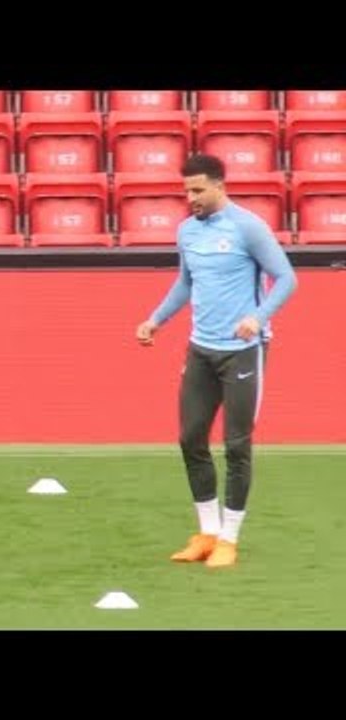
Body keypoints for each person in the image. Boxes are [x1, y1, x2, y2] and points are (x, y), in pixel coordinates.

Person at [135, 153, 297, 568]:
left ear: (219, 186)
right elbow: (185, 282)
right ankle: (207, 532)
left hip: (243, 352)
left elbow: (287, 277)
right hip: (200, 350)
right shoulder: (187, 231)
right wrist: (155, 319)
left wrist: (256, 318)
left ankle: (230, 538)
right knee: (191, 439)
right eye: (186, 190)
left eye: (198, 190)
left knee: (237, 445)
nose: (191, 198)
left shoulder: (248, 227)